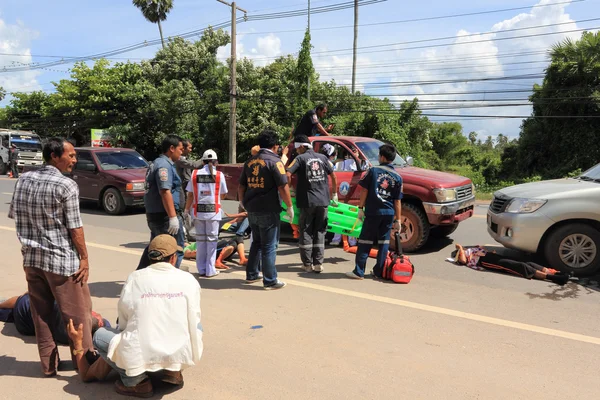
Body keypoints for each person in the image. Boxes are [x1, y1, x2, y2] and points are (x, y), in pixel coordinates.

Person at [68, 234, 203, 397]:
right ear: (173, 258)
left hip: (143, 348)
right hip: (179, 350)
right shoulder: (188, 279)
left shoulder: (135, 278)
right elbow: (194, 316)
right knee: (195, 325)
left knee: (100, 337)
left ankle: (137, 382)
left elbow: (124, 320)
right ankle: (173, 371)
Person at [8, 137, 93, 376]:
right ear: (54, 156)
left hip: (32, 259)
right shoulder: (66, 186)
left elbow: (16, 214)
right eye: (71, 156)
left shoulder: (24, 179)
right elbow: (75, 228)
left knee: (41, 315)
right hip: (61, 262)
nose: (74, 160)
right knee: (77, 316)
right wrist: (84, 259)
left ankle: (48, 365)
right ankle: (85, 365)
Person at [238, 130, 293, 290]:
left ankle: (252, 274)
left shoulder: (249, 161)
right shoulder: (275, 162)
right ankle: (270, 280)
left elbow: (242, 185)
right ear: (275, 146)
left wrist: (242, 202)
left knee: (257, 242)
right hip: (268, 208)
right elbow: (283, 185)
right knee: (269, 245)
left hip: (251, 207)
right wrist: (289, 206)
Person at [347, 144, 403, 280]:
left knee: (365, 241)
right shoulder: (398, 177)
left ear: (382, 157)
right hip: (388, 214)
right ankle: (379, 272)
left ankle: (359, 272)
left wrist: (360, 208)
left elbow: (364, 190)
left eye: (379, 155)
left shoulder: (373, 171)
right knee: (384, 243)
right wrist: (398, 220)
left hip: (373, 212)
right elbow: (397, 200)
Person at [287, 135, 338, 273]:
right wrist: (334, 194)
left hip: (308, 201)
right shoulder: (323, 158)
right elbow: (333, 175)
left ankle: (307, 264)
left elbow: (287, 173)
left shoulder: (300, 159)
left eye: (298, 148)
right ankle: (318, 264)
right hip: (323, 201)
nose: (297, 151)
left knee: (306, 231)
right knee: (320, 231)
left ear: (303, 146)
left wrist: (289, 189)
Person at [137, 135, 185, 270]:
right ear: (171, 148)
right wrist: (173, 217)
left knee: (155, 248)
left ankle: (140, 275)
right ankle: (168, 281)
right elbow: (165, 191)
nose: (181, 152)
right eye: (180, 149)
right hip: (164, 216)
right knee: (174, 249)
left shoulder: (158, 163)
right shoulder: (164, 165)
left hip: (157, 214)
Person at [184, 149, 228, 278]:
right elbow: (224, 195)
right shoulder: (219, 175)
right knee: (212, 241)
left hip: (198, 212)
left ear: (202, 161)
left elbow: (190, 195)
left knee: (201, 241)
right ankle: (210, 269)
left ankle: (201, 269)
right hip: (213, 213)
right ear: (216, 162)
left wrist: (186, 210)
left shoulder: (194, 174)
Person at [0, 293, 109, 344]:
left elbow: (32, 293)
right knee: (12, 315)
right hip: (26, 327)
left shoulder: (65, 307)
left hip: (23, 308)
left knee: (23, 300)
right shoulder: (73, 338)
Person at [453, 244, 571, 285]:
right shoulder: (462, 254)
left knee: (526, 262)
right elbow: (463, 261)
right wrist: (460, 249)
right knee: (519, 267)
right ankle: (553, 278)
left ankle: (554, 272)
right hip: (485, 261)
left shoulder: (472, 249)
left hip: (490, 256)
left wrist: (481, 249)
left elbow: (482, 247)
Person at [175, 139, 203, 209]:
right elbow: (194, 165)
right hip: (182, 187)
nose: (191, 150)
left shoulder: (185, 158)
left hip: (187, 186)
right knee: (186, 207)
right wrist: (204, 158)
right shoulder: (180, 159)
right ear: (183, 148)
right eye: (189, 148)